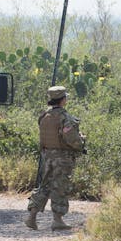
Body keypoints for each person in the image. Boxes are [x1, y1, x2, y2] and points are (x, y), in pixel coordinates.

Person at [25, 85, 86, 231]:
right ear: (63, 100)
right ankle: (57, 220)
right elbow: (71, 138)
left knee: (44, 186)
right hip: (62, 158)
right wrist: (82, 142)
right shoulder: (65, 118)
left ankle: (31, 217)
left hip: (47, 156)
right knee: (60, 187)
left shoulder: (44, 116)